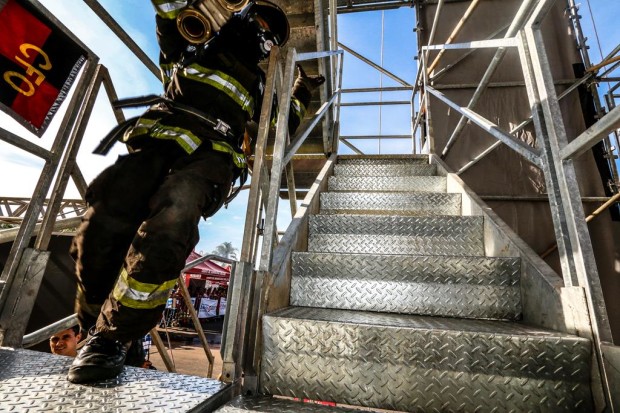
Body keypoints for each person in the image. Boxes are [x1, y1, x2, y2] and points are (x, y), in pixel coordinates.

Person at [67, 0, 324, 384]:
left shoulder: (260, 84)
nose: (262, 31)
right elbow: (168, 18)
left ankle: (112, 338)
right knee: (99, 227)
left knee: (175, 215)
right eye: (259, 20)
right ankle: (95, 325)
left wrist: (301, 91)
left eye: (270, 33)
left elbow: (280, 121)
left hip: (212, 155)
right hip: (157, 141)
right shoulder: (197, 44)